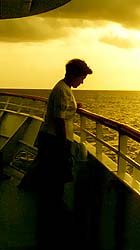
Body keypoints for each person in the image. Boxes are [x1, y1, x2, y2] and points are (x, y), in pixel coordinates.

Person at [36, 58, 92, 249]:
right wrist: (63, 148)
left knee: (54, 182)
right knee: (55, 182)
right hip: (55, 142)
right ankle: (54, 225)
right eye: (82, 77)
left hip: (54, 141)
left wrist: (77, 108)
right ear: (74, 75)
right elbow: (59, 121)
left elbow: (65, 111)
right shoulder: (61, 90)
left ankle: (52, 219)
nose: (82, 82)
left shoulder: (65, 90)